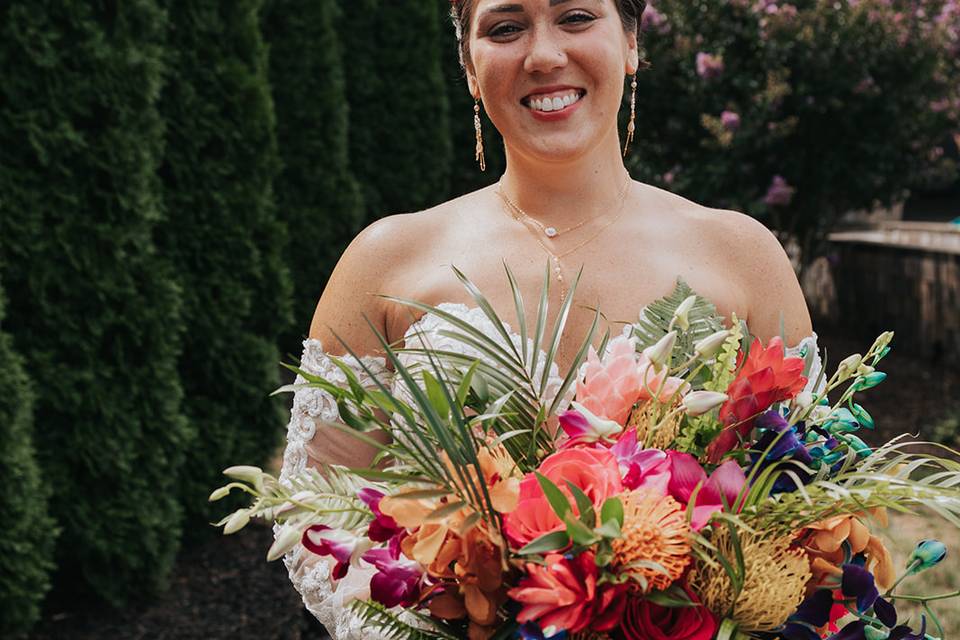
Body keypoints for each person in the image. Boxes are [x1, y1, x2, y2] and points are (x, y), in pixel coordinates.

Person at [278, 1, 817, 637]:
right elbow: (319, 517)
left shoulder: (742, 256)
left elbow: (808, 506)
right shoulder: (387, 261)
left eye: (576, 17)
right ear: (470, 68)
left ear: (632, 43)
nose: (543, 55)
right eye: (505, 28)